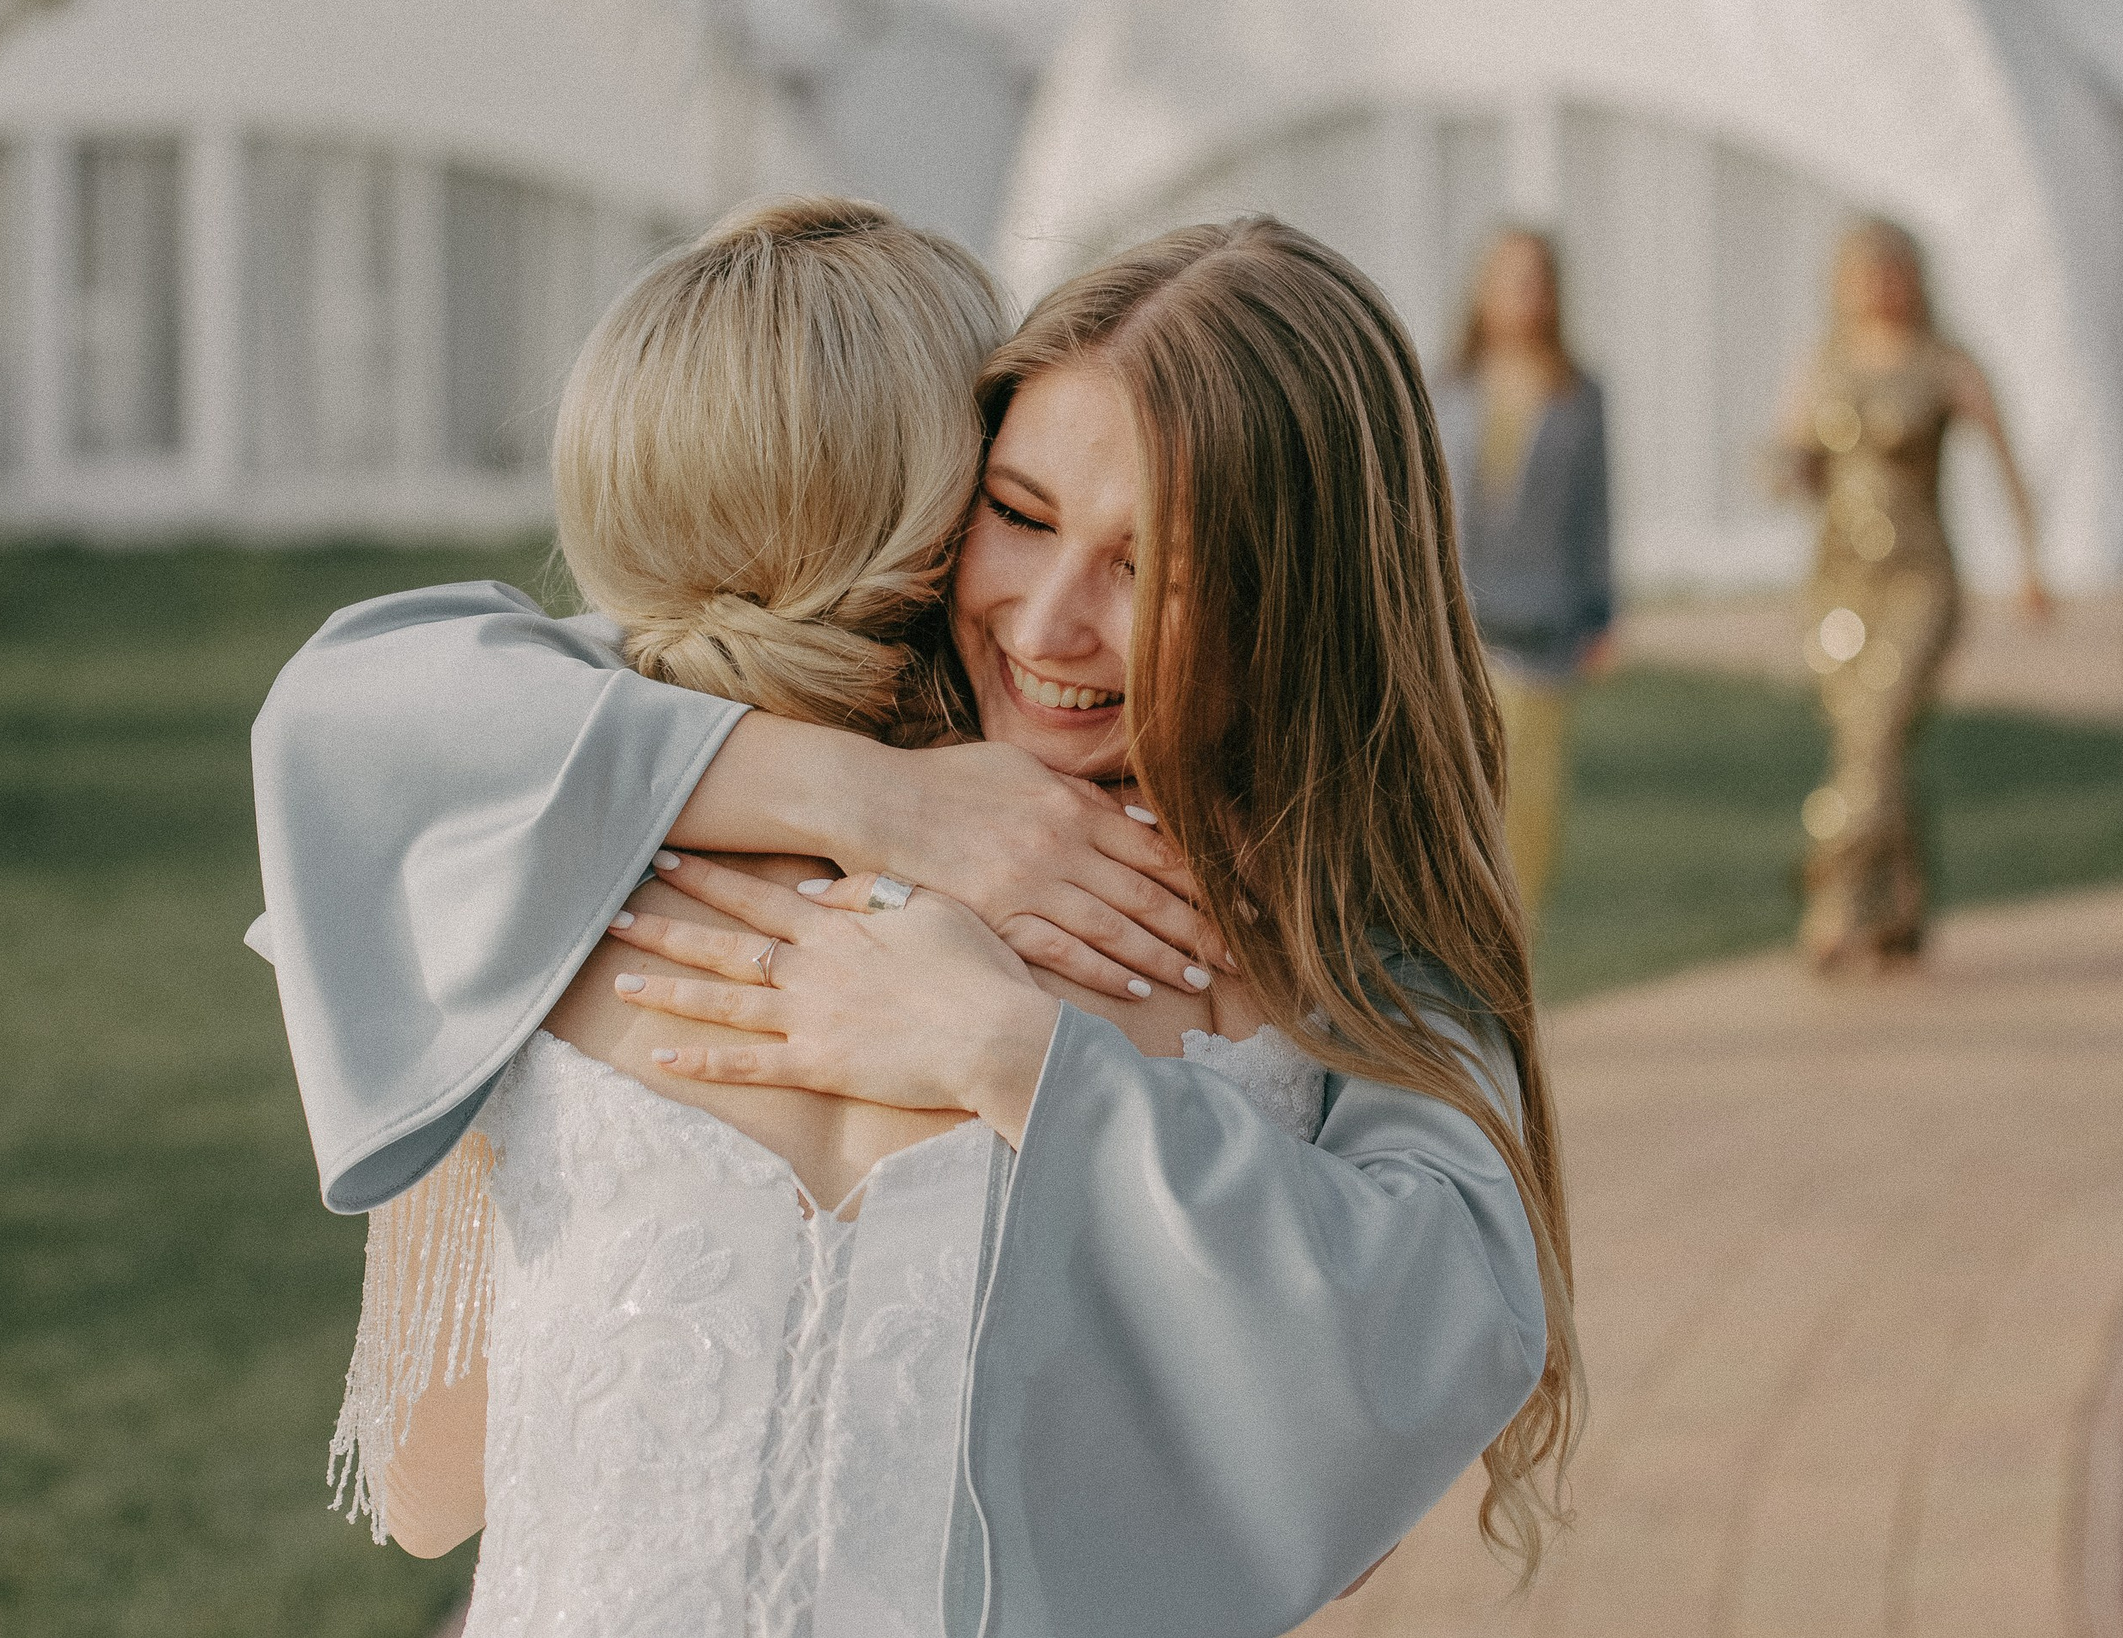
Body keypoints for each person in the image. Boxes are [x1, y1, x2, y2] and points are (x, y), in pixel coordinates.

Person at [252, 215, 1578, 1638]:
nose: (1047, 623)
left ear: (1306, 608)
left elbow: (432, 1481)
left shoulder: (1329, 951)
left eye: (1159, 571)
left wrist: (1012, 1054)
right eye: (1020, 514)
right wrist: (875, 797)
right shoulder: (630, 792)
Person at [1771, 216, 2051, 974]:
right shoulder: (1822, 363)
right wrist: (1788, 470)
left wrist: (2030, 563)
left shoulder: (1944, 364)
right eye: (1863, 272)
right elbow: (1794, 457)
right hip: (1838, 583)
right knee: (1867, 742)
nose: (1878, 287)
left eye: (1890, 271)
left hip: (1918, 578)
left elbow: (2008, 462)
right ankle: (1899, 905)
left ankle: (1831, 894)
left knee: (1878, 727)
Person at [1433, 228, 1612, 913]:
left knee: (1529, 803)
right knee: (1462, 793)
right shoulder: (1447, 387)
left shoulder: (1579, 395)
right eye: (1510, 278)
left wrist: (1600, 610)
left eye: (1536, 280)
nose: (1523, 294)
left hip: (1542, 626)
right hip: (1459, 624)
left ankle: (1516, 938)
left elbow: (1595, 510)